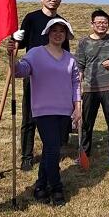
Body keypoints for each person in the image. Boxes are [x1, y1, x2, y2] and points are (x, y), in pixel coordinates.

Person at [8, 18, 80, 206]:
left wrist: (77, 106)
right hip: (43, 110)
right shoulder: (35, 53)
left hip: (64, 110)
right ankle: (56, 187)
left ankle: (40, 186)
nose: (58, 34)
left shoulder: (70, 58)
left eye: (62, 31)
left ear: (66, 35)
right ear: (48, 33)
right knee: (53, 149)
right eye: (54, 30)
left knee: (50, 150)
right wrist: (12, 58)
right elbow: (20, 71)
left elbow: (76, 83)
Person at [15, 0, 70, 171]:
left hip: (55, 76)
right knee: (30, 115)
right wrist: (15, 38)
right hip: (33, 73)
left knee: (55, 114)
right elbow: (20, 45)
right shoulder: (31, 18)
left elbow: (65, 52)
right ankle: (27, 156)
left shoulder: (61, 23)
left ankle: (53, 150)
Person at [75, 9, 109, 165]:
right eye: (98, 22)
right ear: (92, 24)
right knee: (86, 123)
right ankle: (84, 153)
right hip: (90, 88)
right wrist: (78, 88)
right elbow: (79, 67)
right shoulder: (84, 42)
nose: (102, 25)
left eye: (105, 22)